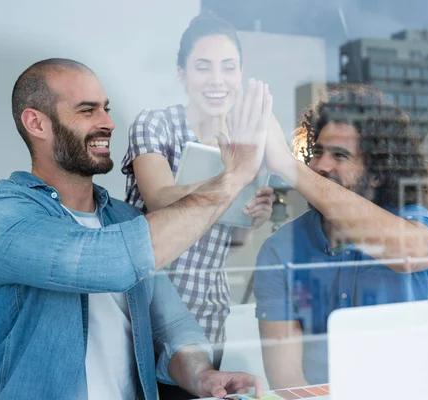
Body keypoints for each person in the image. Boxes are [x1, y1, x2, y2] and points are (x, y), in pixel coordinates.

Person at [0, 58, 272, 399]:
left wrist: (201, 375)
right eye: (87, 110)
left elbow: (172, 326)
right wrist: (231, 180)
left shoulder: (125, 219)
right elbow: (107, 261)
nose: (107, 122)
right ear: (37, 123)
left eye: (105, 109)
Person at [121, 14, 274, 397]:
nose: (217, 80)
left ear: (240, 74)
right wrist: (232, 180)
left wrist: (253, 214)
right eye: (203, 67)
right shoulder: (155, 125)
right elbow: (158, 196)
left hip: (210, 318)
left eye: (228, 67)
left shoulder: (244, 142)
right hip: (151, 320)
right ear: (182, 73)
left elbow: (232, 242)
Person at [254, 84, 428, 388]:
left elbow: (409, 254)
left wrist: (286, 166)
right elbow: (287, 380)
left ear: (378, 172)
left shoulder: (413, 223)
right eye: (317, 152)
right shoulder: (279, 250)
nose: (320, 166)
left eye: (340, 155)